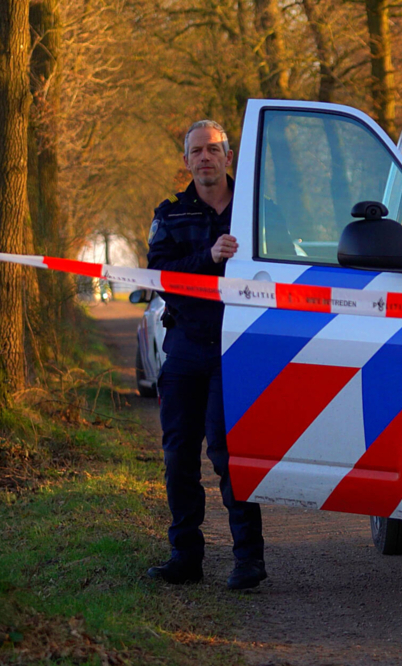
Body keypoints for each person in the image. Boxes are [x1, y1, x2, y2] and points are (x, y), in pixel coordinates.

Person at [146, 120, 266, 590]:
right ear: (186, 161)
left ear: (228, 156)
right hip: (186, 346)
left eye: (213, 150)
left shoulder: (256, 211)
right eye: (196, 151)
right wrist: (209, 259)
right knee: (179, 455)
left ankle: (249, 560)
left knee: (229, 452)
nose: (205, 158)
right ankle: (185, 558)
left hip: (238, 347)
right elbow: (159, 277)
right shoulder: (171, 214)